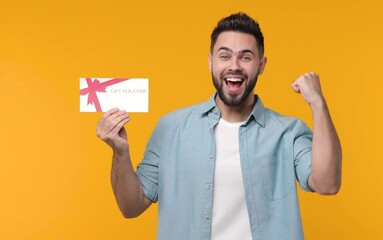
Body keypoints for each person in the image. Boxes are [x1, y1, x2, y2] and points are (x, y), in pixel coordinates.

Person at [96, 12, 342, 240]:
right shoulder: (170, 129)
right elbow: (131, 206)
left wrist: (318, 103)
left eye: (246, 57)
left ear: (262, 65)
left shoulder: (288, 132)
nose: (234, 65)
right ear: (211, 62)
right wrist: (120, 153)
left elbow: (327, 184)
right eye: (225, 56)